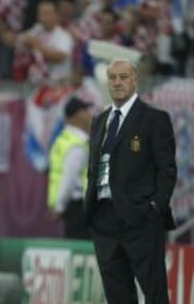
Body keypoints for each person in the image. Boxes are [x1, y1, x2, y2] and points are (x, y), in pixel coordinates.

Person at [84, 58, 177, 303]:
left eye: (123, 77)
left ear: (135, 80)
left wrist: (156, 206)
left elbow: (166, 169)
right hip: (104, 217)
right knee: (117, 295)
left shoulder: (154, 119)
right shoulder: (99, 121)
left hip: (140, 219)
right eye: (112, 78)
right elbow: (94, 167)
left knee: (154, 292)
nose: (117, 82)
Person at [47, 96, 93, 239]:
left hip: (72, 206)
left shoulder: (64, 139)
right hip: (77, 206)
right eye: (86, 110)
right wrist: (60, 207)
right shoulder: (77, 144)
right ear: (77, 115)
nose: (90, 114)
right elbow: (69, 179)